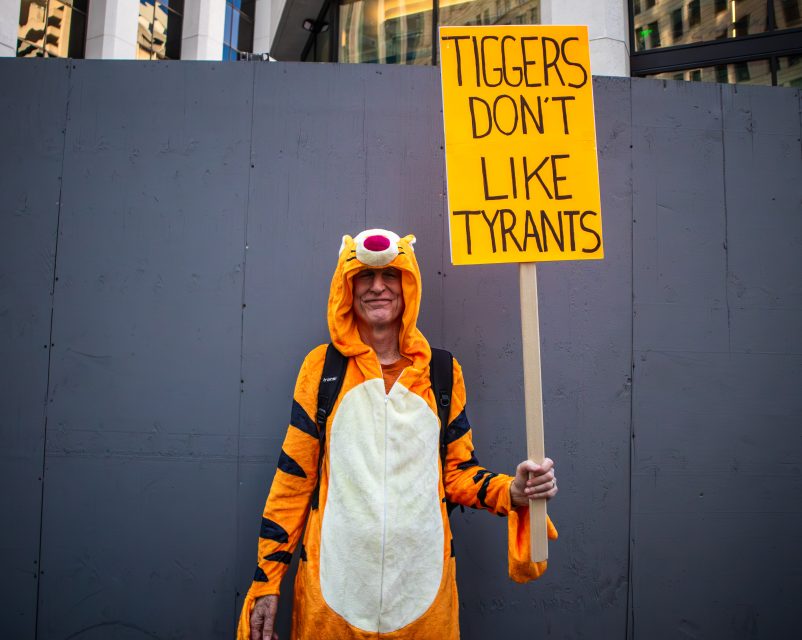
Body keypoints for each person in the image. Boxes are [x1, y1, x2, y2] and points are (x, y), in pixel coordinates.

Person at [237, 229, 558, 640]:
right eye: (364, 278)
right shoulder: (322, 370)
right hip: (331, 603)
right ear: (346, 289)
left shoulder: (442, 373)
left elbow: (458, 475)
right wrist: (267, 582)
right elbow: (293, 483)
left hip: (423, 602)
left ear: (409, 285)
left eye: (390, 275)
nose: (377, 287)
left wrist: (513, 490)